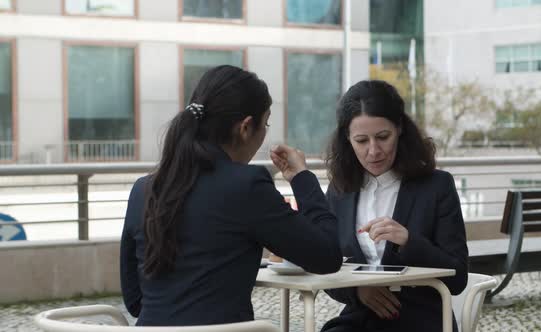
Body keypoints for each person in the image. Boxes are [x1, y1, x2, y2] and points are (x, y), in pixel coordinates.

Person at [120, 65, 342, 326]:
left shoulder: (143, 190)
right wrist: (302, 178)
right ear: (246, 127)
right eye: (266, 123)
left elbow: (135, 300)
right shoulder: (246, 186)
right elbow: (327, 256)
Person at [320, 80, 468, 332]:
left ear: (399, 128)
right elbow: (327, 268)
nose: (373, 151)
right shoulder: (339, 190)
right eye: (361, 141)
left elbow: (458, 277)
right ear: (347, 139)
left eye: (382, 137)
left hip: (421, 319)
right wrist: (357, 291)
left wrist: (409, 242)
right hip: (359, 318)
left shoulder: (437, 186)